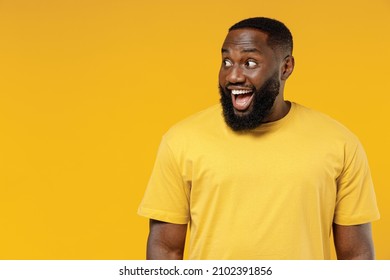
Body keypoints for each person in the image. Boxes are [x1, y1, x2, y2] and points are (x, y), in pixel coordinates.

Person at [138, 17, 380, 260]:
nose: (233, 76)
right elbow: (165, 249)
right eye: (226, 61)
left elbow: (356, 255)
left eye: (249, 62)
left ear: (286, 67)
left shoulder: (340, 143)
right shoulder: (182, 140)